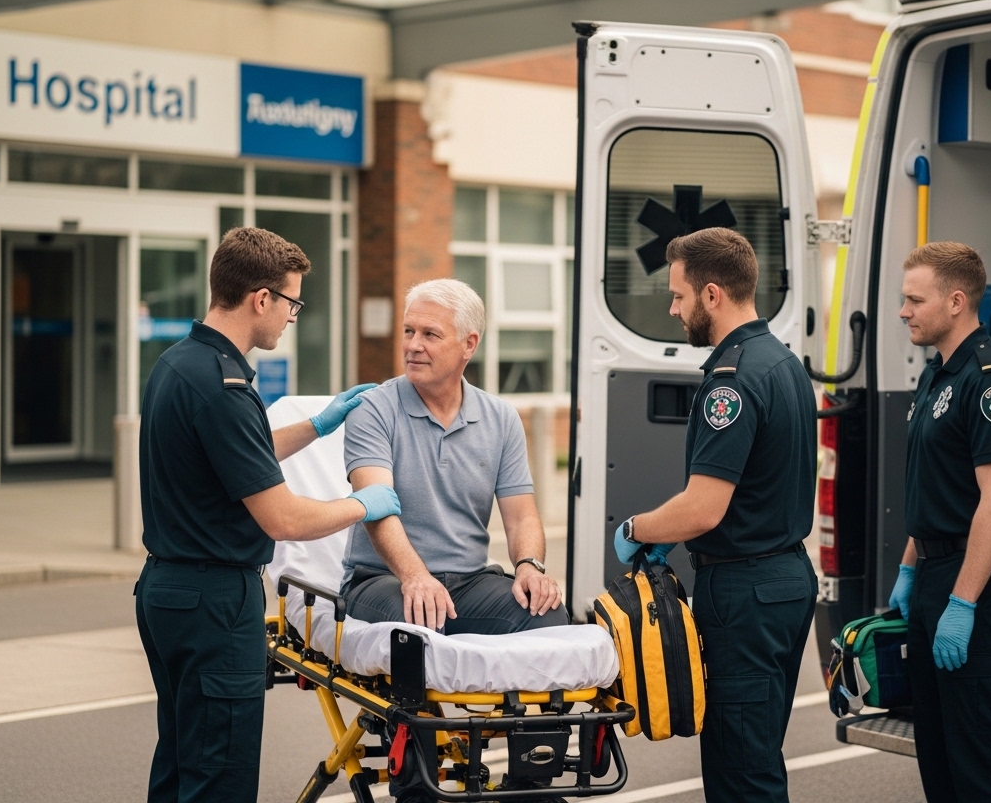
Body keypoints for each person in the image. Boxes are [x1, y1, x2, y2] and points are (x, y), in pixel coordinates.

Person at [135, 227, 402, 803]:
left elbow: (237, 459)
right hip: (214, 601)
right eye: (292, 303)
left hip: (167, 592)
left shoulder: (179, 366)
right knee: (218, 781)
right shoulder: (226, 388)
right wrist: (362, 505)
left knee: (181, 765)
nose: (292, 317)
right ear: (261, 299)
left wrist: (318, 425)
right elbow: (280, 519)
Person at [612, 228, 817, 803]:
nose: (673, 310)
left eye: (677, 297)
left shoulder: (730, 381)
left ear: (710, 294)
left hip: (745, 591)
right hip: (785, 578)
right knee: (757, 751)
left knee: (741, 771)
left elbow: (703, 509)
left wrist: (635, 530)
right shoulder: (781, 362)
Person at [887, 241, 991, 803]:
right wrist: (909, 570)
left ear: (955, 302)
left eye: (913, 300)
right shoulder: (936, 376)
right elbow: (934, 488)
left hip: (979, 581)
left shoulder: (990, 380)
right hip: (933, 573)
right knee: (940, 754)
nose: (904, 311)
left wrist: (964, 602)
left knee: (980, 757)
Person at [340, 278, 566, 635]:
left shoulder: (501, 418)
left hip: (470, 581)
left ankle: (504, 693)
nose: (413, 345)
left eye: (430, 334)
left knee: (547, 615)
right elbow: (376, 510)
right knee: (418, 621)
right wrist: (416, 577)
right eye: (409, 331)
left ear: (469, 344)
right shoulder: (372, 410)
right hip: (384, 580)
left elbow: (521, 515)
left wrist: (528, 568)